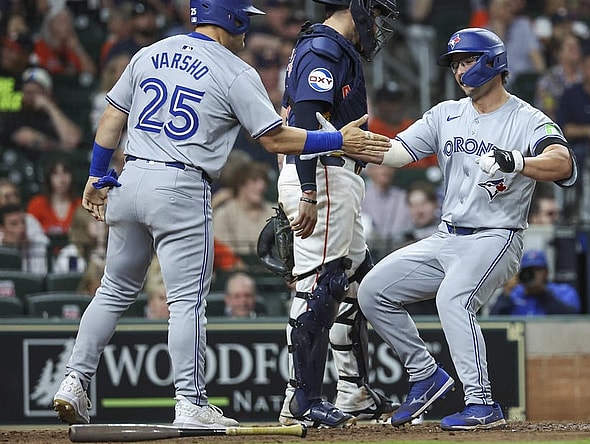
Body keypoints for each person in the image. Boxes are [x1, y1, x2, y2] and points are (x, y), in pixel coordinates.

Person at [51, 0, 391, 429]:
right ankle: (190, 402)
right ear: (228, 18)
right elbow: (275, 139)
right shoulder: (234, 70)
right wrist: (335, 141)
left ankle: (74, 380)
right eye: (244, 19)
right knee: (186, 302)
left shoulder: (150, 52)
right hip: (180, 184)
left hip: (130, 176)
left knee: (114, 290)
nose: (247, 27)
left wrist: (97, 174)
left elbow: (112, 117)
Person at [357, 28, 576, 430]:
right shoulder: (446, 114)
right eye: (456, 63)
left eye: (467, 60)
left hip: (496, 236)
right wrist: (343, 141)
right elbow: (395, 153)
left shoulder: (527, 119)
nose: (459, 70)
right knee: (373, 292)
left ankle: (482, 403)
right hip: (446, 237)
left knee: (453, 300)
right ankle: (425, 375)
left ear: (493, 62)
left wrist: (518, 162)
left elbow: (563, 163)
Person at [275, 0, 399, 428]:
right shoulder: (324, 47)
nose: (379, 25)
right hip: (323, 174)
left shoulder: (329, 46)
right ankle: (300, 400)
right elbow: (308, 116)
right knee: (320, 285)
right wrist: (307, 189)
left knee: (360, 283)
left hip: (334, 174)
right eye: (377, 14)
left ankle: (353, 392)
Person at [489, 249, 580, 315]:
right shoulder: (515, 293)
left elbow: (571, 316)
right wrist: (506, 294)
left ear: (546, 272)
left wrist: (543, 293)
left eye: (537, 270)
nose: (533, 275)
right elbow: (495, 321)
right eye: (528, 270)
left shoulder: (563, 291)